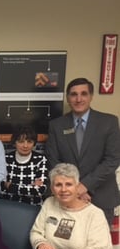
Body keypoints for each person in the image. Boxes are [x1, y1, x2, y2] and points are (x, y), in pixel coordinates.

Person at [45, 77, 120, 224]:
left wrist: (84, 186)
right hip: (66, 197)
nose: (78, 99)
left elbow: (112, 159)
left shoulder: (109, 122)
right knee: (65, 243)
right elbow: (53, 160)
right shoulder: (56, 125)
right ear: (68, 98)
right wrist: (72, 190)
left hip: (101, 197)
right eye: (73, 94)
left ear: (91, 96)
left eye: (84, 94)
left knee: (98, 245)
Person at [1, 126, 48, 205]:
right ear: (14, 142)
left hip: (33, 206)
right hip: (8, 204)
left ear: (34, 144)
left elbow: (39, 190)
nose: (25, 146)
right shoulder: (6, 159)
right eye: (21, 141)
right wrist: (30, 186)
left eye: (29, 142)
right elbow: (1, 186)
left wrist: (10, 186)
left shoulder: (40, 159)